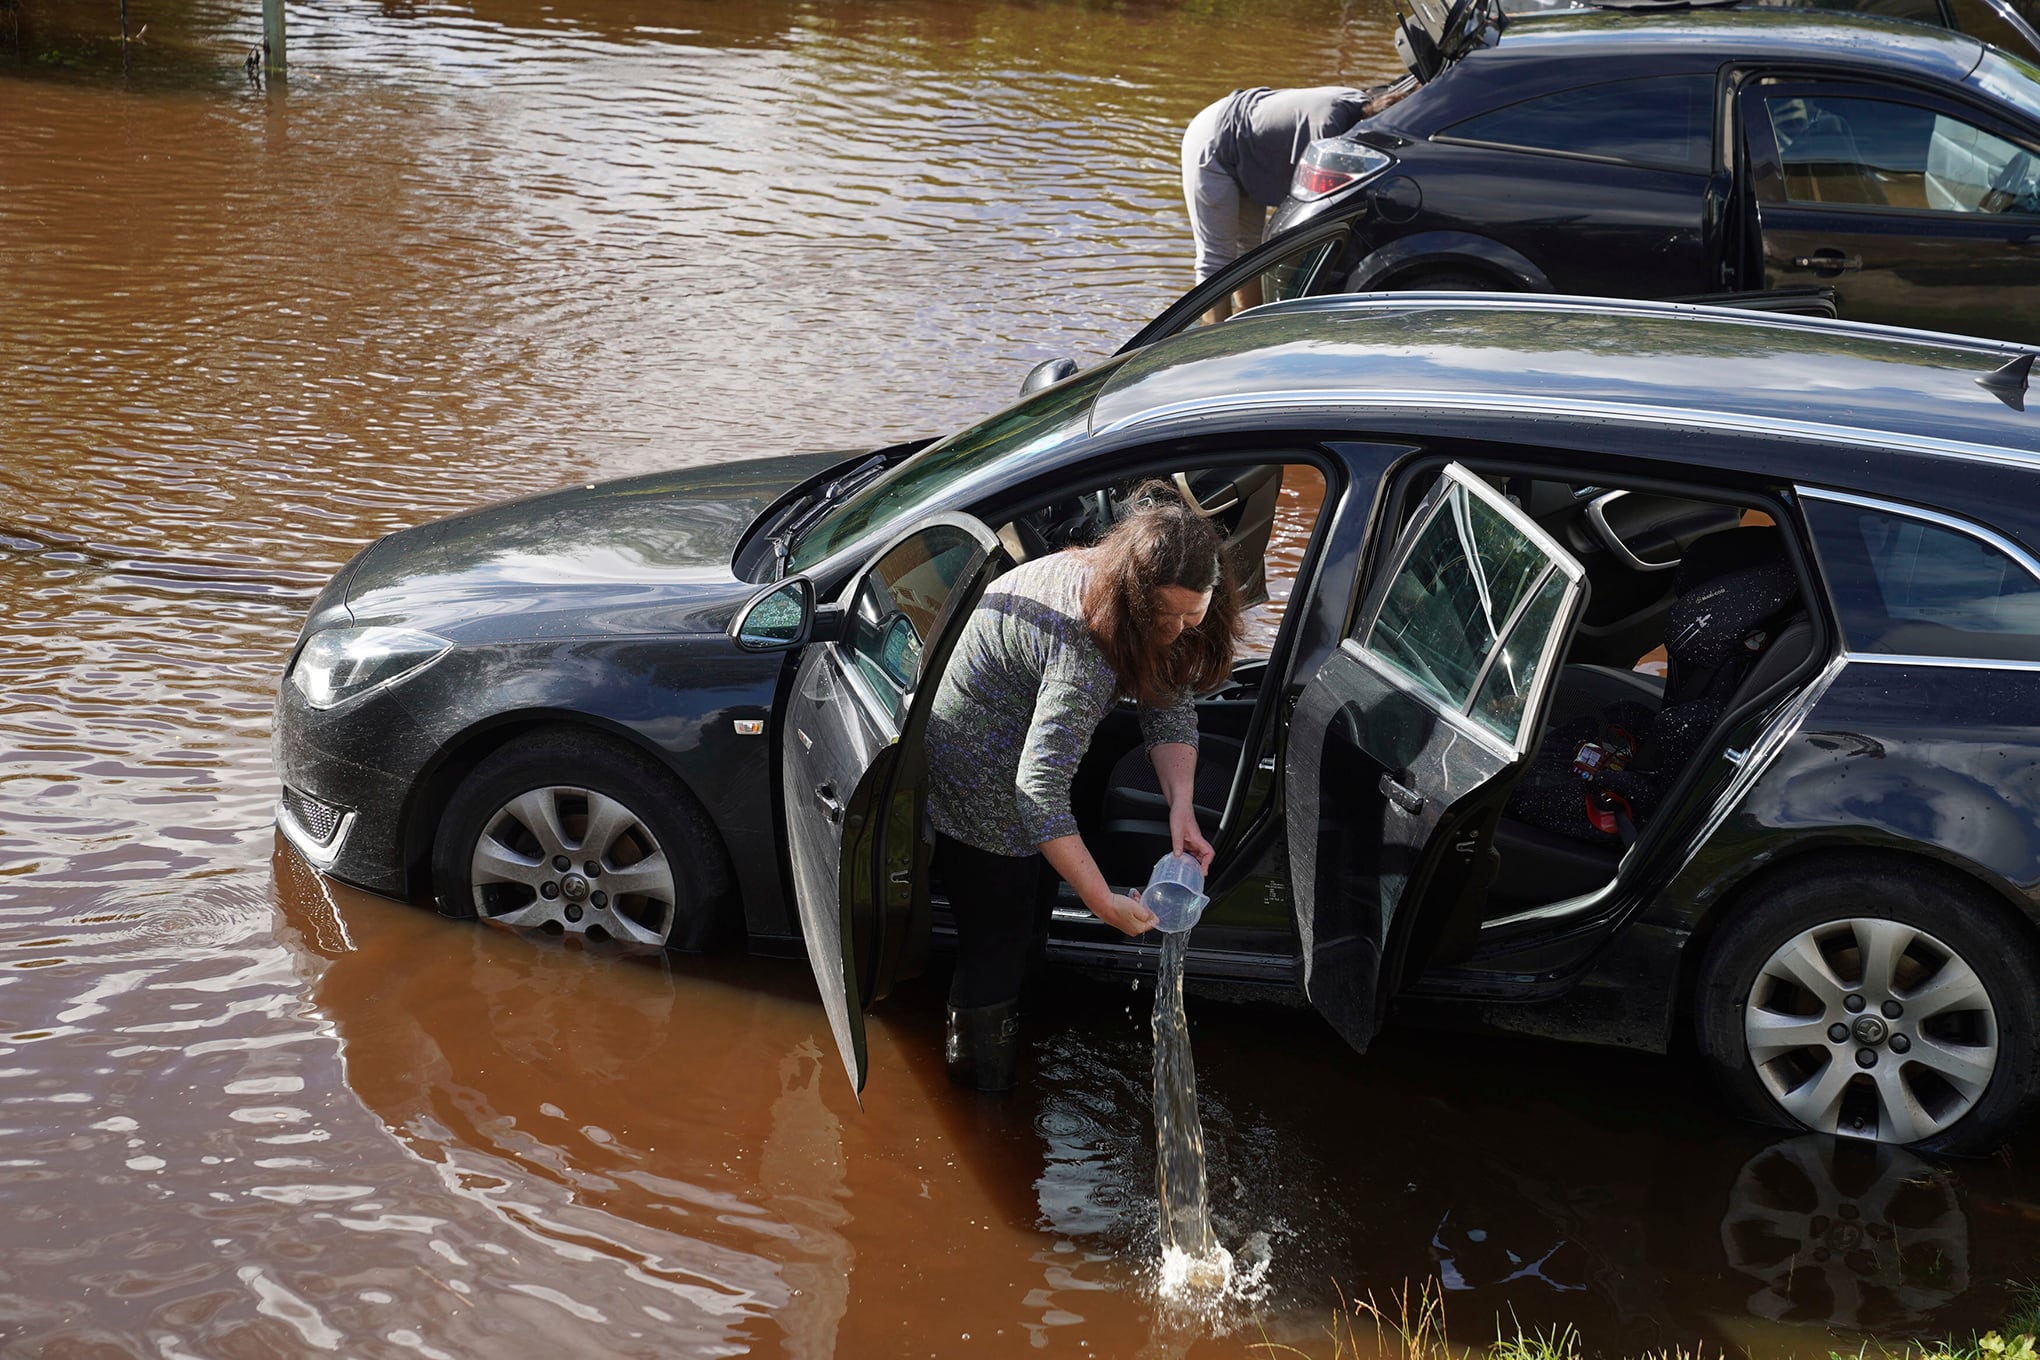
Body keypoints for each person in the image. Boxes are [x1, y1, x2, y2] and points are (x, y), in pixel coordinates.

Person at [923, 484, 1243, 1092]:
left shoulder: (1151, 602)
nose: (1177, 631)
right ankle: (977, 1089)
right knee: (997, 936)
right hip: (977, 763)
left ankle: (1027, 1023)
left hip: (1031, 746)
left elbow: (1169, 705)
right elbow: (1037, 791)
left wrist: (1182, 806)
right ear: (1131, 599)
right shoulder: (1082, 648)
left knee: (1035, 906)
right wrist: (1102, 903)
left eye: (1192, 616)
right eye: (1165, 617)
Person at [1180, 83, 1411, 320]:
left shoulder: (1357, 100)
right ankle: (1210, 345)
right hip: (1214, 139)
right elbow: (1324, 211)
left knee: (1249, 250)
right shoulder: (1329, 130)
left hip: (1247, 144)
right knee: (1216, 257)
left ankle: (1246, 324)